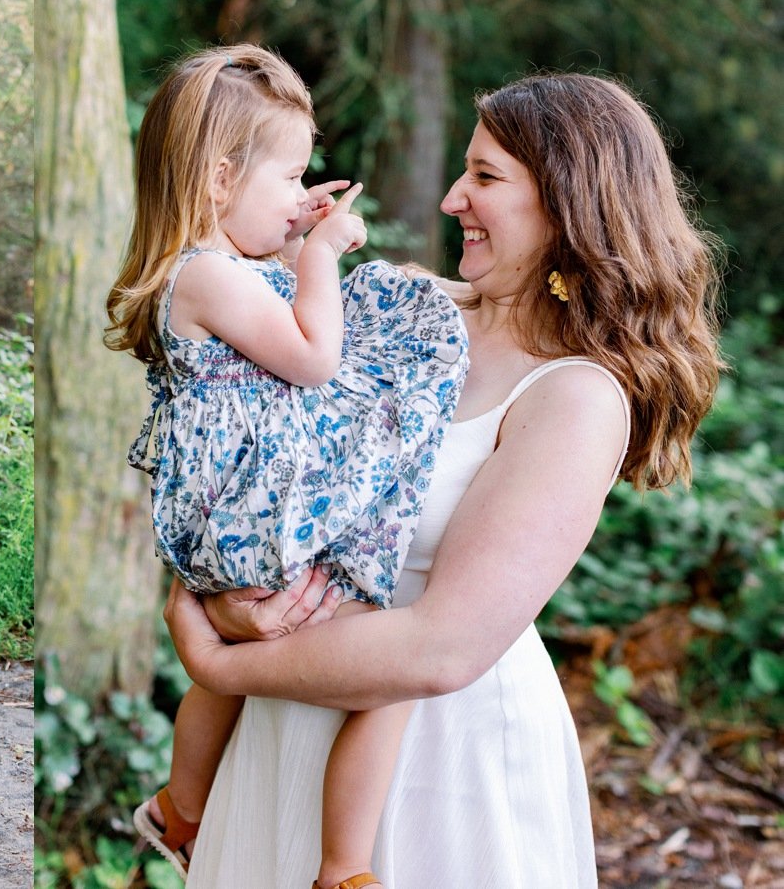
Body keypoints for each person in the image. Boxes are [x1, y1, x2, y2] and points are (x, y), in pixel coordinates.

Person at [163, 72, 722, 889]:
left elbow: (443, 646)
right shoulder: (402, 307)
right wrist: (215, 598)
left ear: (571, 204)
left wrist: (218, 664)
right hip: (284, 733)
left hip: (438, 764)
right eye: (465, 170)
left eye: (487, 177)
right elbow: (255, 463)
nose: (454, 197)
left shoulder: (573, 396)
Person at [106, 45, 468, 888]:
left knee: (228, 682)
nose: (303, 194)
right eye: (291, 177)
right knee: (388, 684)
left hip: (236, 515)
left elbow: (279, 318)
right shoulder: (203, 276)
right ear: (219, 180)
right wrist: (321, 255)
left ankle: (180, 811)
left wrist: (293, 232)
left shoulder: (220, 270)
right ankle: (343, 868)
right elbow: (313, 359)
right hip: (255, 518)